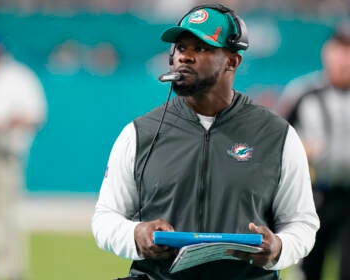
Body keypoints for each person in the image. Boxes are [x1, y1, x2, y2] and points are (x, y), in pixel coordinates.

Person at [92, 3, 319, 279]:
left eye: (201, 48)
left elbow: (302, 223)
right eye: (180, 47)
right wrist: (135, 234)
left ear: (232, 61)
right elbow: (105, 218)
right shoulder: (139, 133)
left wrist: (280, 248)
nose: (185, 57)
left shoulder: (277, 135)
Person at [277, 21, 350, 280]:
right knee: (308, 268)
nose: (344, 58)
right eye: (340, 49)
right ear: (327, 51)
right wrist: (301, 151)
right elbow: (279, 143)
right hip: (317, 194)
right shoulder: (304, 92)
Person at [0, 35, 47, 280]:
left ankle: (9, 272)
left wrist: (7, 123)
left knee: (4, 216)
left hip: (4, 153)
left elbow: (35, 115)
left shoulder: (18, 76)